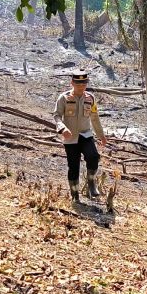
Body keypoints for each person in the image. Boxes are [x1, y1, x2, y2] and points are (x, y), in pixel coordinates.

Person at [54, 70, 106, 204]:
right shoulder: (64, 98)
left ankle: (91, 182)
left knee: (93, 156)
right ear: (72, 83)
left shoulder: (90, 98)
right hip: (70, 137)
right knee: (73, 167)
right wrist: (62, 128)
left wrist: (101, 135)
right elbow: (57, 116)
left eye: (83, 83)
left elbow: (94, 118)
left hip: (85, 134)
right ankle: (75, 194)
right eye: (78, 83)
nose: (81, 86)